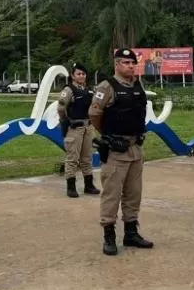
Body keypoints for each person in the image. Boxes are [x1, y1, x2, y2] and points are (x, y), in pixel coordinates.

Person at [88, 48, 154, 256]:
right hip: (116, 150)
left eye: (132, 63)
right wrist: (108, 135)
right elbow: (94, 114)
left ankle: (131, 233)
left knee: (133, 194)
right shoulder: (107, 86)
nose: (130, 66)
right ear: (117, 64)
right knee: (112, 195)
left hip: (135, 147)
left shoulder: (137, 85)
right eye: (126, 63)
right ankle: (109, 236)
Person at [57, 62, 100, 198]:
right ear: (73, 76)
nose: (81, 76)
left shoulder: (89, 90)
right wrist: (65, 120)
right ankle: (71, 186)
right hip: (75, 127)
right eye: (78, 74)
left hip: (88, 127)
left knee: (87, 157)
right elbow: (61, 107)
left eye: (83, 74)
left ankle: (89, 185)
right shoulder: (69, 90)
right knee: (72, 158)